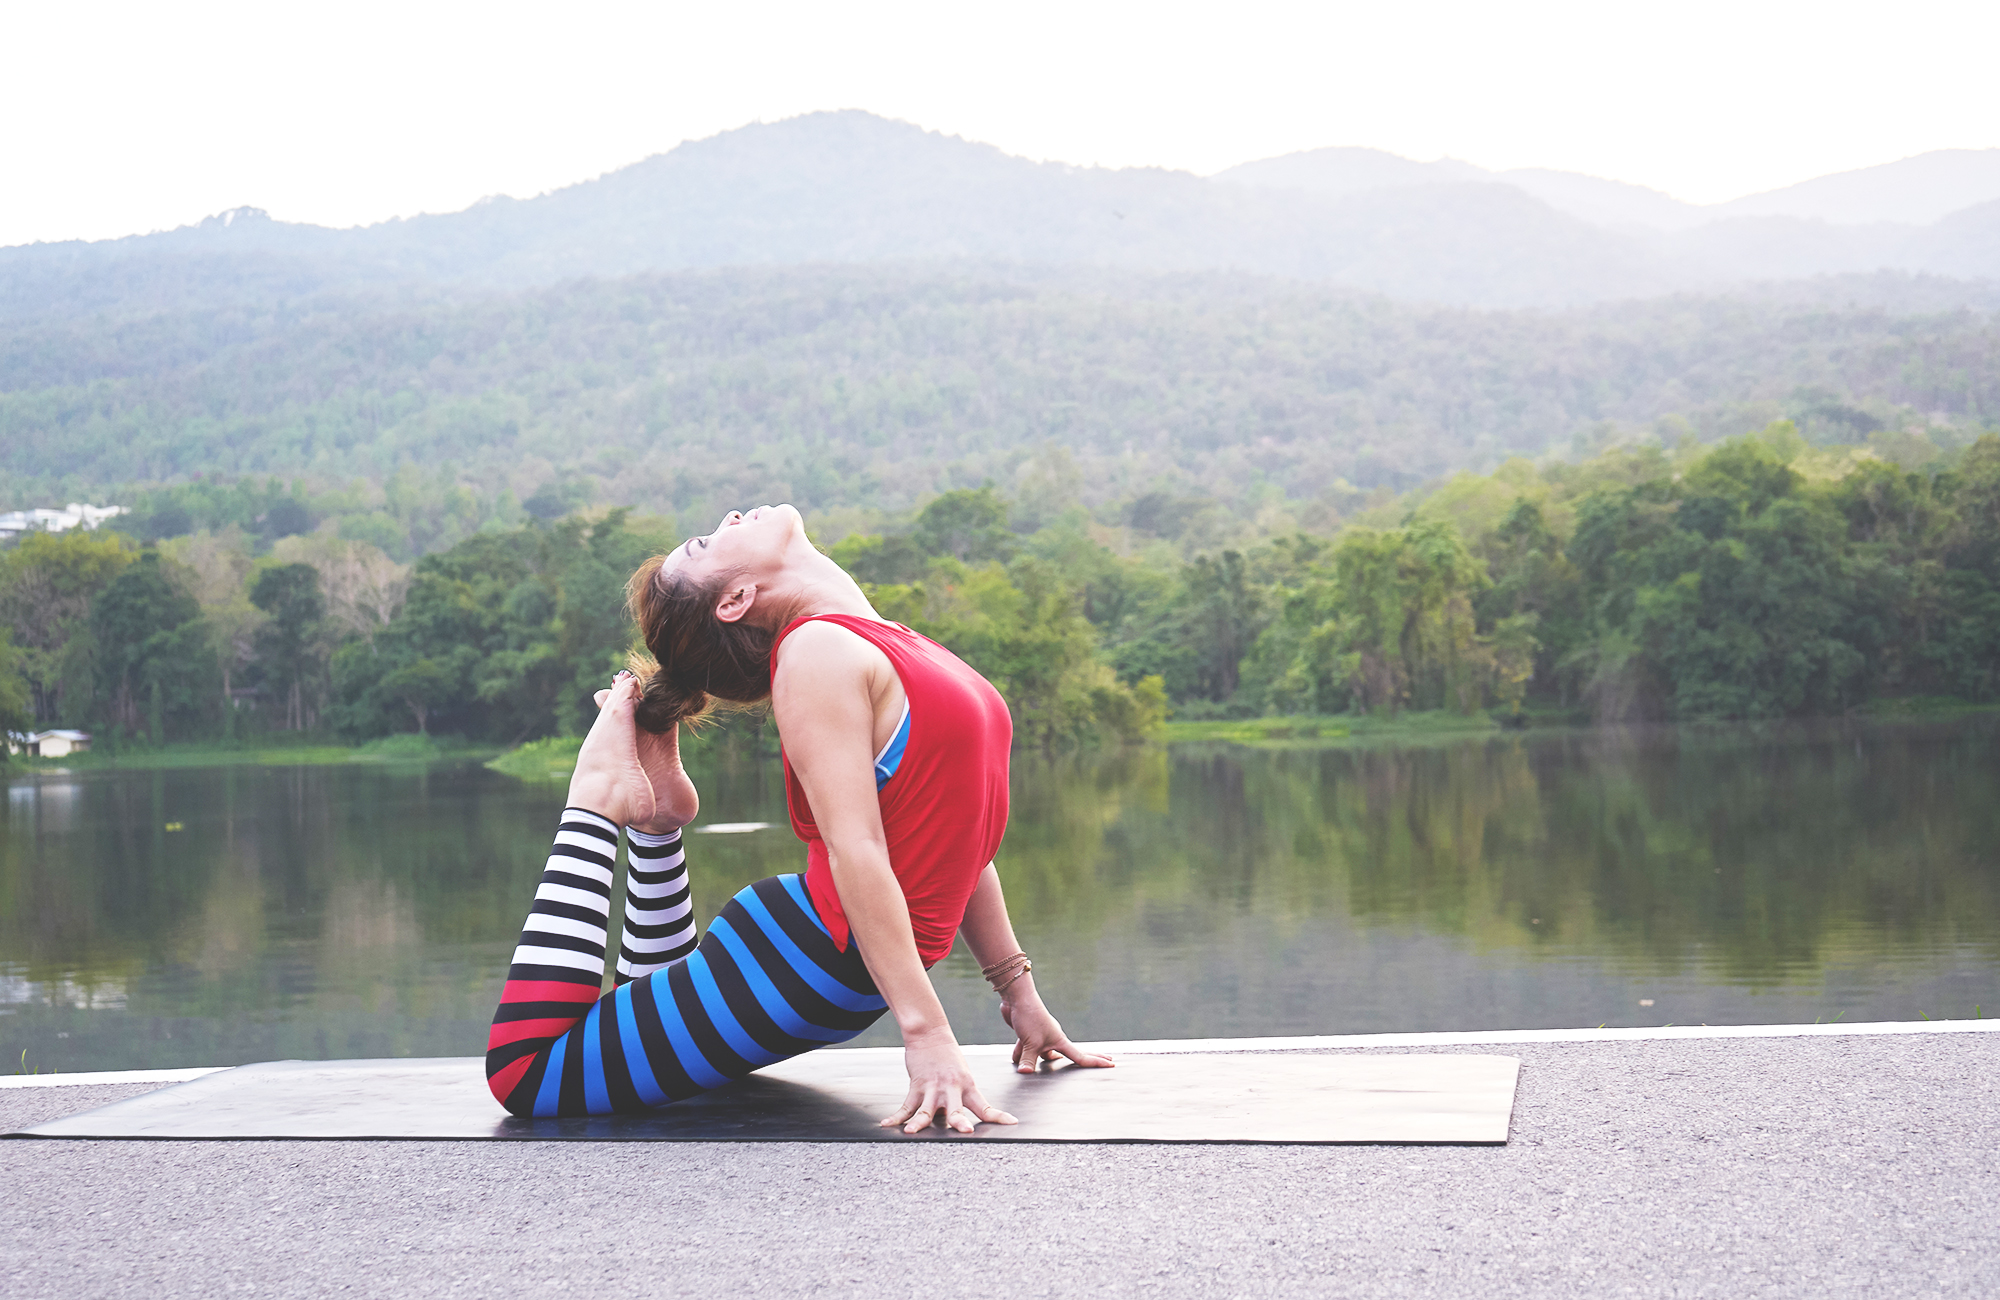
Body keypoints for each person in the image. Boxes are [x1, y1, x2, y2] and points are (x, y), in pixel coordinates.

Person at [485, 504, 1112, 1131]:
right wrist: (926, 1036)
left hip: (815, 968)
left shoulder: (882, 640)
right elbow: (856, 848)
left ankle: (655, 827)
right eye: (707, 540)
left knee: (631, 1025)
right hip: (802, 962)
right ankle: (597, 798)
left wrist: (1019, 995)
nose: (730, 516)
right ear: (735, 598)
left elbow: (962, 843)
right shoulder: (816, 652)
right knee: (524, 1073)